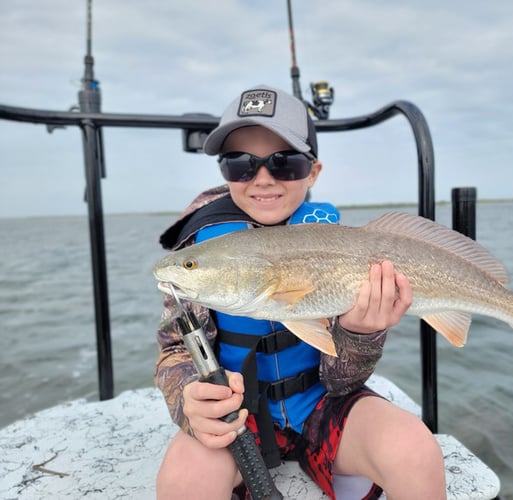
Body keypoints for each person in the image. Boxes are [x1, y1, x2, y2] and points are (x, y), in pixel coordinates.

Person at [154, 84, 446, 499]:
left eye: (284, 162)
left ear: (313, 171)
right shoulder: (201, 252)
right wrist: (190, 400)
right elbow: (173, 350)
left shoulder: (337, 242)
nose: (262, 178)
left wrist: (360, 335)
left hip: (325, 405)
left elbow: (346, 382)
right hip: (237, 417)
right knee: (185, 478)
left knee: (415, 451)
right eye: (239, 164)